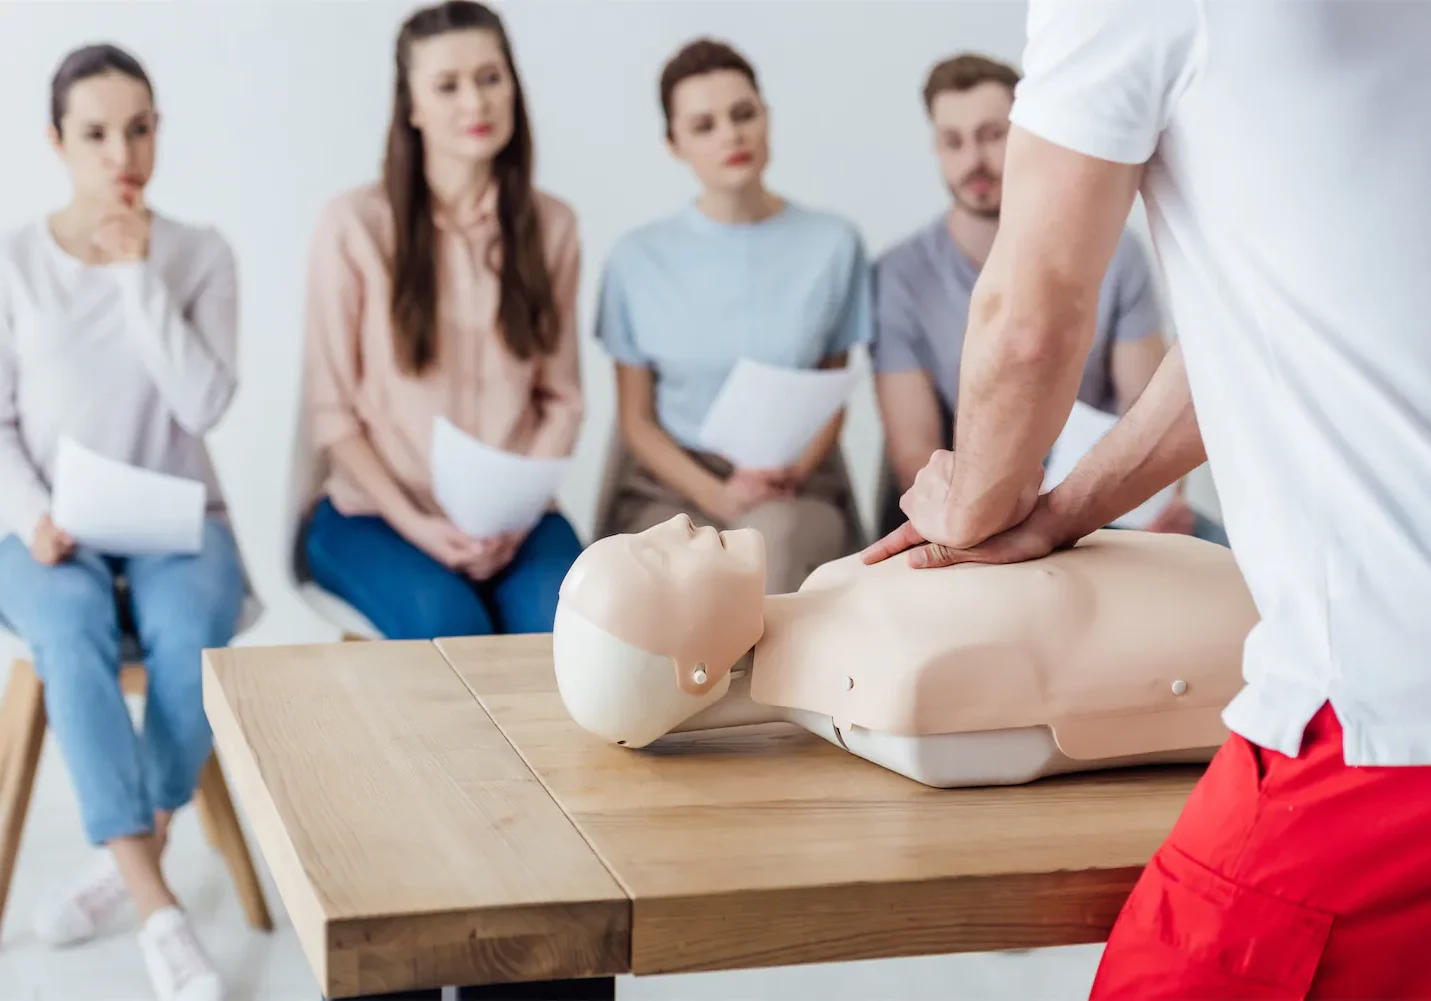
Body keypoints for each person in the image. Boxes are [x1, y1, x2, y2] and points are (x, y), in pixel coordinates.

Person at [866, 2, 1431, 997]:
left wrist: (975, 501)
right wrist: (1061, 507)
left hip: (1386, 720)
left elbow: (1031, 313)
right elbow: (1261, 330)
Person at [0, 44, 239, 1001]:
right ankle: (157, 909)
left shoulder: (199, 252)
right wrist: (32, 513)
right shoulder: (14, 262)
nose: (121, 153)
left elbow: (205, 404)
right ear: (57, 142)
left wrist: (140, 278)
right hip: (52, 524)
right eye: (96, 133)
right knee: (70, 631)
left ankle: (123, 864)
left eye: (138, 128)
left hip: (179, 516)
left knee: (193, 641)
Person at [302, 0, 584, 641]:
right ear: (412, 107)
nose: (475, 103)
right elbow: (332, 415)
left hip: (516, 520)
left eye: (491, 78)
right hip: (375, 511)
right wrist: (419, 524)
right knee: (450, 625)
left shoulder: (554, 228)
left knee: (569, 628)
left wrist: (512, 520)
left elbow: (562, 400)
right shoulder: (352, 226)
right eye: (447, 86)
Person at [873, 53, 1222, 544]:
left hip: (1109, 495)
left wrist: (1147, 501)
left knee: (1236, 563)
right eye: (953, 142)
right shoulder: (900, 276)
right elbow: (914, 454)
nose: (974, 159)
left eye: (993, 135)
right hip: (982, 511)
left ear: (1026, 132)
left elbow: (1146, 402)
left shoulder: (1118, 252)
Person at [593, 38, 870, 595]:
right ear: (674, 144)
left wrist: (790, 472)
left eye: (743, 115)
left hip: (795, 483)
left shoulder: (833, 244)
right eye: (704, 125)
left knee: (776, 541)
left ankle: (770, 684)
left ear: (766, 119)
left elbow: (833, 391)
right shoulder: (635, 258)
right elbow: (636, 420)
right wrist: (717, 496)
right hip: (672, 487)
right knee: (680, 572)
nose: (731, 135)